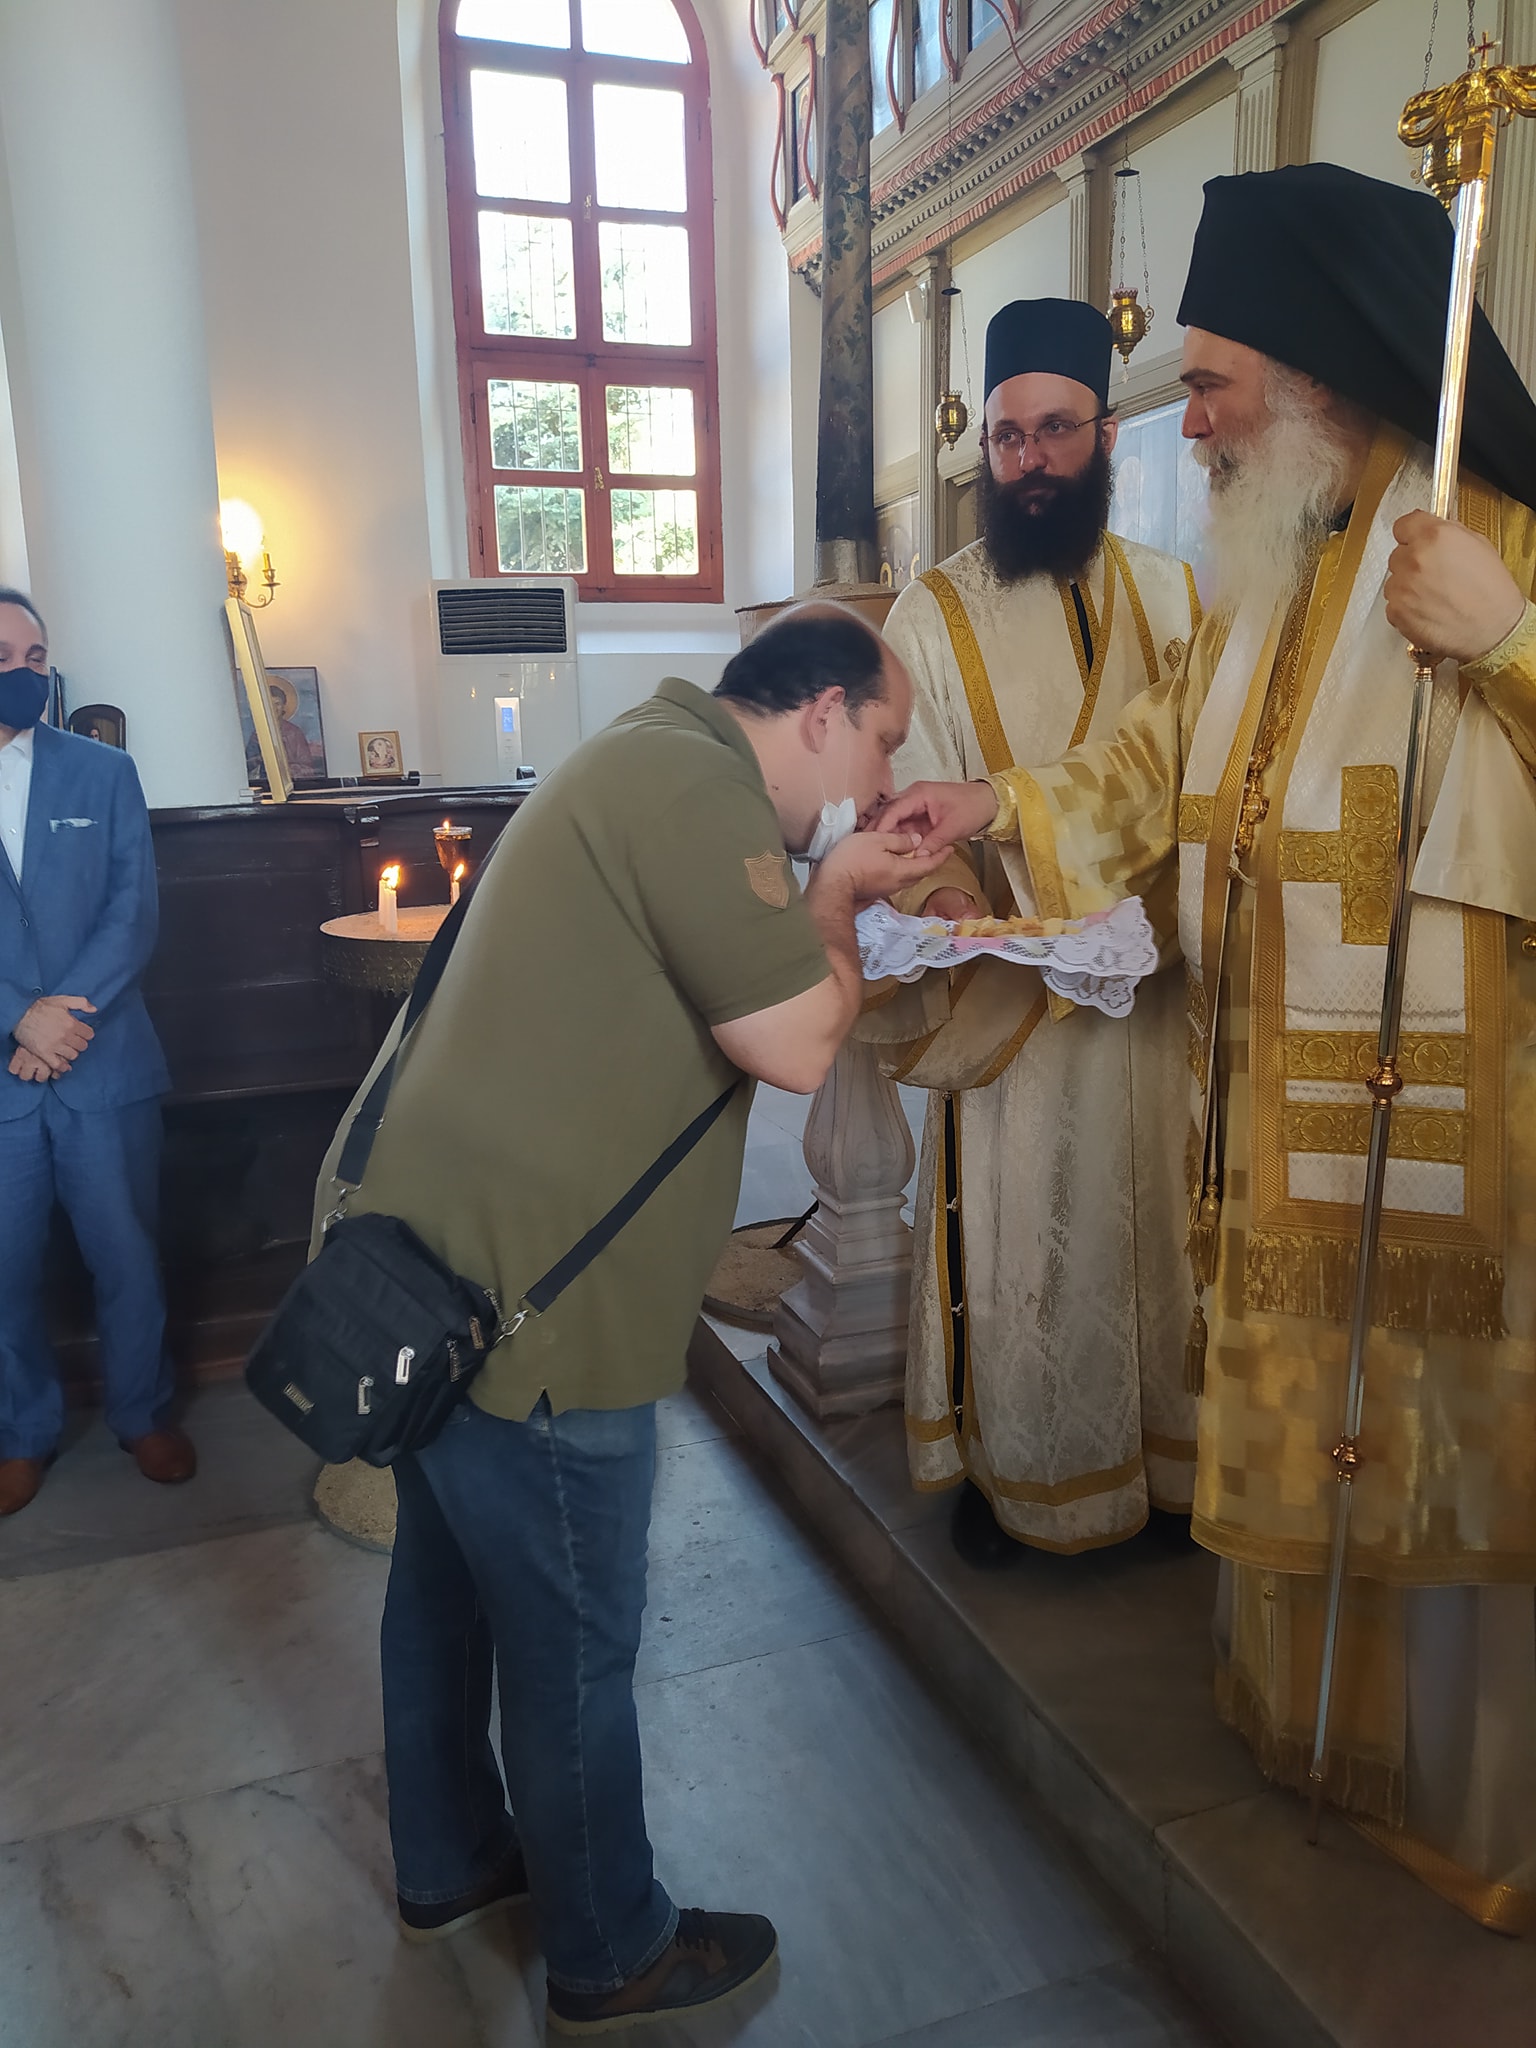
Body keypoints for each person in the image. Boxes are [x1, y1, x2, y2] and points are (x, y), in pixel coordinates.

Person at [880, 164, 1536, 1927]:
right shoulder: (1282, 568)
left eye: (1218, 380)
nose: (1193, 419)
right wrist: (990, 805)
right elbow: (1151, 759)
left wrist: (1513, 640)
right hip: (1280, 1118)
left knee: (1435, 1446)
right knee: (1310, 1416)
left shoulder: (1497, 537)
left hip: (1464, 1130)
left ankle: (1464, 1798)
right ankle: (1309, 1735)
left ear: (1322, 374)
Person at [311, 605, 945, 2032]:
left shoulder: (645, 751)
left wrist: (823, 873)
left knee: (445, 1599)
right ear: (824, 714)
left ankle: (451, 1862)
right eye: (885, 740)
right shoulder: (693, 786)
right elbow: (797, 1042)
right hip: (537, 1310)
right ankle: (613, 1953)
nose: (881, 774)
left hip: (440, 1272)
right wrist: (840, 894)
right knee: (574, 1646)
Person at [871, 298, 1203, 1564]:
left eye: (1057, 429)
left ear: (1107, 433)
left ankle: (1167, 1470)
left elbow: (1194, 781)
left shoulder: (1175, 594)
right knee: (1026, 1247)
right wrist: (951, 906)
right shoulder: (930, 615)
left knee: (1159, 1238)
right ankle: (1019, 1475)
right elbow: (909, 814)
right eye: (1007, 438)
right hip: (1015, 1009)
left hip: (1158, 995)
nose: (1030, 461)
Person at [0, 588, 194, 1516]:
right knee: (4, 1271)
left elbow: (132, 910)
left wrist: (58, 1020)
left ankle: (142, 1413)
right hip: (6, 1075)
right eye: (4, 657)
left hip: (103, 1061)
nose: (23, 673)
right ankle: (20, 1432)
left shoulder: (102, 772)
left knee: (128, 1256)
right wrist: (18, 1020)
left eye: (35, 658)